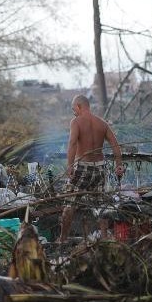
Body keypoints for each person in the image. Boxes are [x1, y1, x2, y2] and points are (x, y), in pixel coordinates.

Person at [57, 95, 124, 242]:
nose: (73, 111)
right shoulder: (102, 123)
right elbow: (115, 145)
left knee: (69, 203)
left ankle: (62, 240)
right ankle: (105, 238)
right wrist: (119, 165)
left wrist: (70, 166)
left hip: (83, 168)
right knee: (101, 204)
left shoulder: (76, 122)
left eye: (74, 108)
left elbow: (72, 144)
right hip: (100, 169)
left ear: (79, 106)